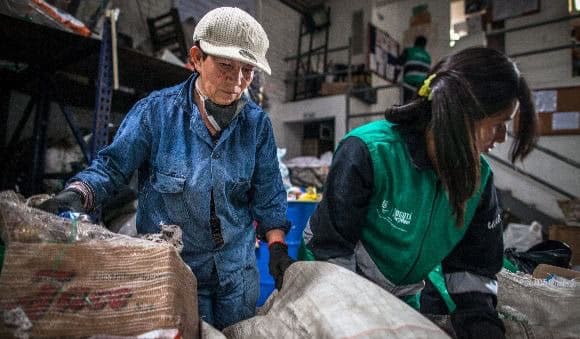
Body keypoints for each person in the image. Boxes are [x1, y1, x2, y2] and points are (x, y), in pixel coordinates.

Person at [38, 7, 294, 330]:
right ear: (197, 58)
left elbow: (269, 196)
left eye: (248, 70)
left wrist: (277, 248)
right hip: (174, 275)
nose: (237, 81)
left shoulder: (257, 126)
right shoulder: (156, 113)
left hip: (237, 278)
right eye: (226, 65)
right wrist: (78, 194)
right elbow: (111, 168)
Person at [298, 47, 538, 338]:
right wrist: (353, 318)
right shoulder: (369, 152)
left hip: (402, 297)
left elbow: (472, 273)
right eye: (498, 124)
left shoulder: (479, 180)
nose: (501, 138)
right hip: (330, 279)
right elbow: (332, 251)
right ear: (461, 115)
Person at [393, 35, 431, 103]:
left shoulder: (409, 51)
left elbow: (398, 65)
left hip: (409, 84)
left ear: (415, 43)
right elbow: (428, 73)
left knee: (407, 105)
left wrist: (394, 78)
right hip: (422, 86)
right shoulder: (427, 56)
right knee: (418, 107)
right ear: (424, 45)